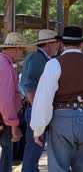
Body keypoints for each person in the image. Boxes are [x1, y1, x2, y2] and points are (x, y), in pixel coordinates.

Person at [30, 27, 83, 172]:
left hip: (61, 121)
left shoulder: (54, 64)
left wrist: (38, 129)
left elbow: (44, 100)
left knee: (59, 168)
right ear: (81, 44)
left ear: (61, 44)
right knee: (82, 167)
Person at [20, 29, 60, 172]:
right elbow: (29, 86)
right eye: (56, 43)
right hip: (35, 110)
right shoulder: (38, 59)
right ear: (48, 44)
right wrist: (37, 108)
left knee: (34, 150)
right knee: (34, 150)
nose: (58, 46)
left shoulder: (38, 58)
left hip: (34, 109)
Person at [0, 32, 34, 172]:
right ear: (17, 48)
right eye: (23, 50)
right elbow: (6, 100)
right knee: (5, 157)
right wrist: (13, 124)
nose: (22, 54)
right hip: (3, 121)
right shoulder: (6, 68)